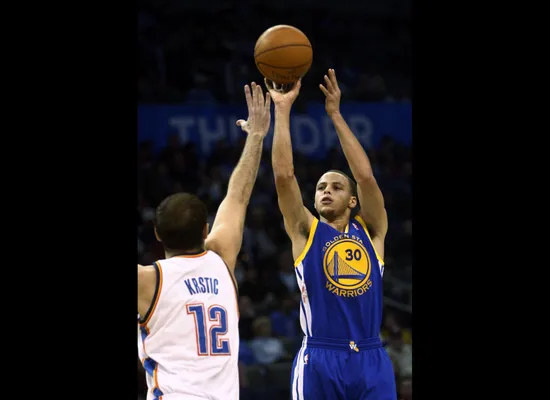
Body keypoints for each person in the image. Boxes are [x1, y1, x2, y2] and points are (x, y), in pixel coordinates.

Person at [265, 69, 396, 400]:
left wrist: (335, 115)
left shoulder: (373, 230)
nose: (326, 191)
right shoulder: (306, 231)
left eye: (336, 187)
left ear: (352, 201)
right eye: (321, 187)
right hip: (320, 356)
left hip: (371, 356)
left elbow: (365, 178)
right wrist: (281, 109)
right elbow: (284, 176)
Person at [137, 82, 271, 400]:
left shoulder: (147, 281)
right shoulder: (222, 257)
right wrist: (256, 137)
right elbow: (238, 196)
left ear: (156, 235)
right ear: (205, 230)